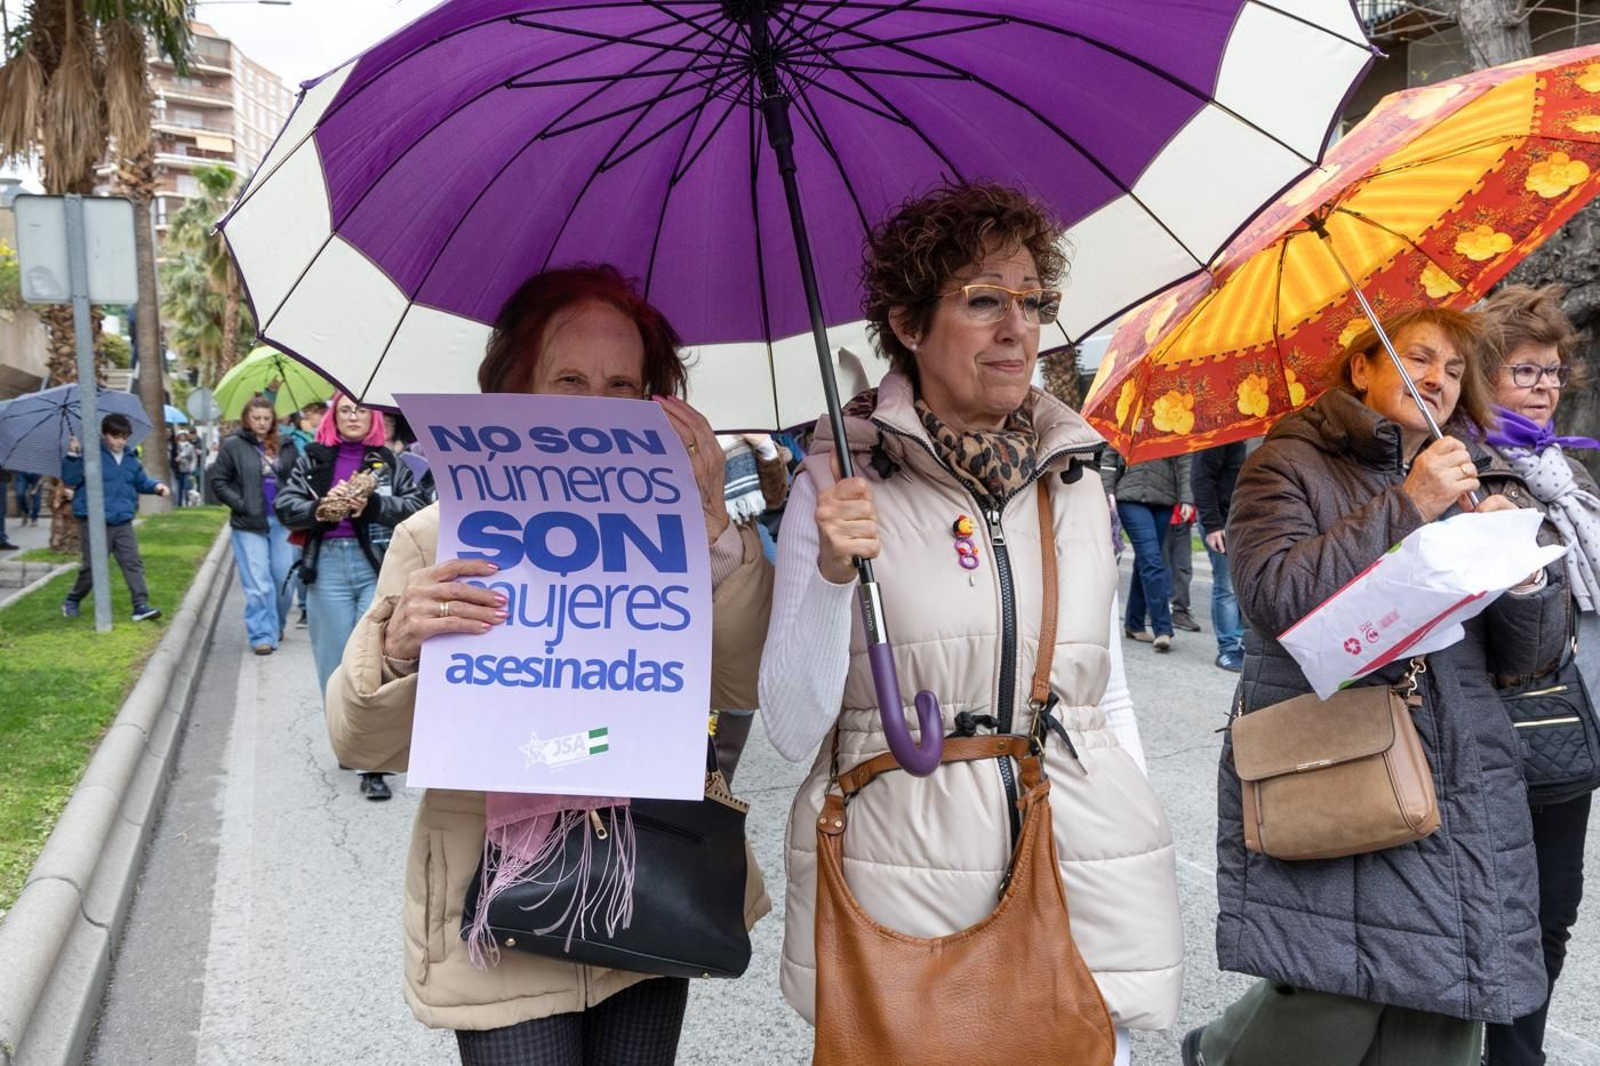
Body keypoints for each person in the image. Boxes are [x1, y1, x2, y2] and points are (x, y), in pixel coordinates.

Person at [759, 182, 1183, 1064]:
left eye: (1034, 302)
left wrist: (1127, 830)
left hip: (1073, 872)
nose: (1017, 328)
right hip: (905, 887)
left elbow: (1103, 697)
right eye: (984, 300)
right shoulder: (843, 486)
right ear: (909, 324)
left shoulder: (1074, 477)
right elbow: (791, 723)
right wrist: (834, 573)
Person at [324, 264, 774, 1065]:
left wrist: (721, 545)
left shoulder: (688, 538)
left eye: (622, 385)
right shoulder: (438, 538)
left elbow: (742, 687)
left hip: (649, 879)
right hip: (494, 902)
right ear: (515, 390)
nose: (595, 407)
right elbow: (362, 746)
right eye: (568, 378)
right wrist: (395, 651)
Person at [1184, 308, 1568, 1066]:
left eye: (1455, 369)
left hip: (1463, 771)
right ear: (1361, 366)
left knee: (1446, 1006)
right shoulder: (1287, 463)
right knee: (1333, 996)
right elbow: (1273, 600)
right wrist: (1408, 504)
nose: (1437, 380)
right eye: (1418, 358)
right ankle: (1225, 1052)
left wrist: (1522, 579)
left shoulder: (1479, 470)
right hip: (1342, 754)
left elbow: (1528, 661)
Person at [1478, 284, 1595, 1066]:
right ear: (1484, 380)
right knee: (1503, 912)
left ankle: (1522, 1052)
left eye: (1551, 372)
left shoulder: (1567, 476)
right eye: (1525, 372)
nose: (1545, 387)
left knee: (1555, 910)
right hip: (1505, 725)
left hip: (1572, 726)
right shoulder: (1470, 473)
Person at [275, 393, 428, 801]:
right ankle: (347, 738)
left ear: (373, 417)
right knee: (332, 660)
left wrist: (373, 505)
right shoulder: (312, 457)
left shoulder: (387, 461)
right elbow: (285, 505)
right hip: (326, 566)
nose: (353, 415)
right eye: (345, 409)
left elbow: (417, 505)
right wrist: (321, 508)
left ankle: (372, 762)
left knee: (371, 662)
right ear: (334, 417)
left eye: (360, 409)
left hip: (375, 568)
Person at [59, 414, 170, 620]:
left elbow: (140, 481)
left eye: (125, 437)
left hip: (122, 521)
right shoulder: (91, 455)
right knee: (92, 568)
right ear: (104, 435)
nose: (120, 441)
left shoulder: (130, 459)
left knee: (132, 563)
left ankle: (140, 606)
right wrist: (73, 455)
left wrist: (156, 486)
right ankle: (72, 600)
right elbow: (71, 479)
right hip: (94, 522)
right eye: (115, 436)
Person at [210, 395, 297, 655]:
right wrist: (241, 503)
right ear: (247, 419)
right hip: (249, 524)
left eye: (266, 418)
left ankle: (277, 624)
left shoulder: (286, 444)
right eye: (256, 418)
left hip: (282, 522)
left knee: (283, 580)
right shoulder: (233, 445)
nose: (261, 423)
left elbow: (299, 477)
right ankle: (262, 635)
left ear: (273, 420)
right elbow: (218, 480)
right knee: (259, 584)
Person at [1100, 449, 1194, 650]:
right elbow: (1109, 455)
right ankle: (1163, 628)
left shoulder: (1176, 420)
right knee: (1152, 560)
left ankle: (1134, 623)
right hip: (1130, 497)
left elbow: (1185, 460)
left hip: (1165, 499)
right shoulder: (1129, 418)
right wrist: (1107, 490)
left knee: (1146, 560)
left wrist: (1187, 498)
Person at [1191, 440, 1248, 672]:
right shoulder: (1219, 435)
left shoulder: (1253, 434)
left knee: (1245, 587)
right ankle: (1227, 649)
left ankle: (1245, 646)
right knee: (1226, 587)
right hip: (1222, 521)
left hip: (1246, 521)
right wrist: (1213, 524)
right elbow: (1201, 478)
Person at [1165, 503, 1199, 631]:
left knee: (1183, 565)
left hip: (1183, 512)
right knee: (1158, 564)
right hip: (1161, 507)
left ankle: (1180, 610)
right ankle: (1150, 609)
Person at [173, 432, 199, 508]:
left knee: (187, 487)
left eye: (184, 436)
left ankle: (188, 503)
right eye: (180, 436)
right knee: (178, 487)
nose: (182, 437)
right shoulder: (175, 446)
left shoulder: (190, 446)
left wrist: (192, 467)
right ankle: (179, 503)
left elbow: (194, 457)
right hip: (178, 469)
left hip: (187, 470)